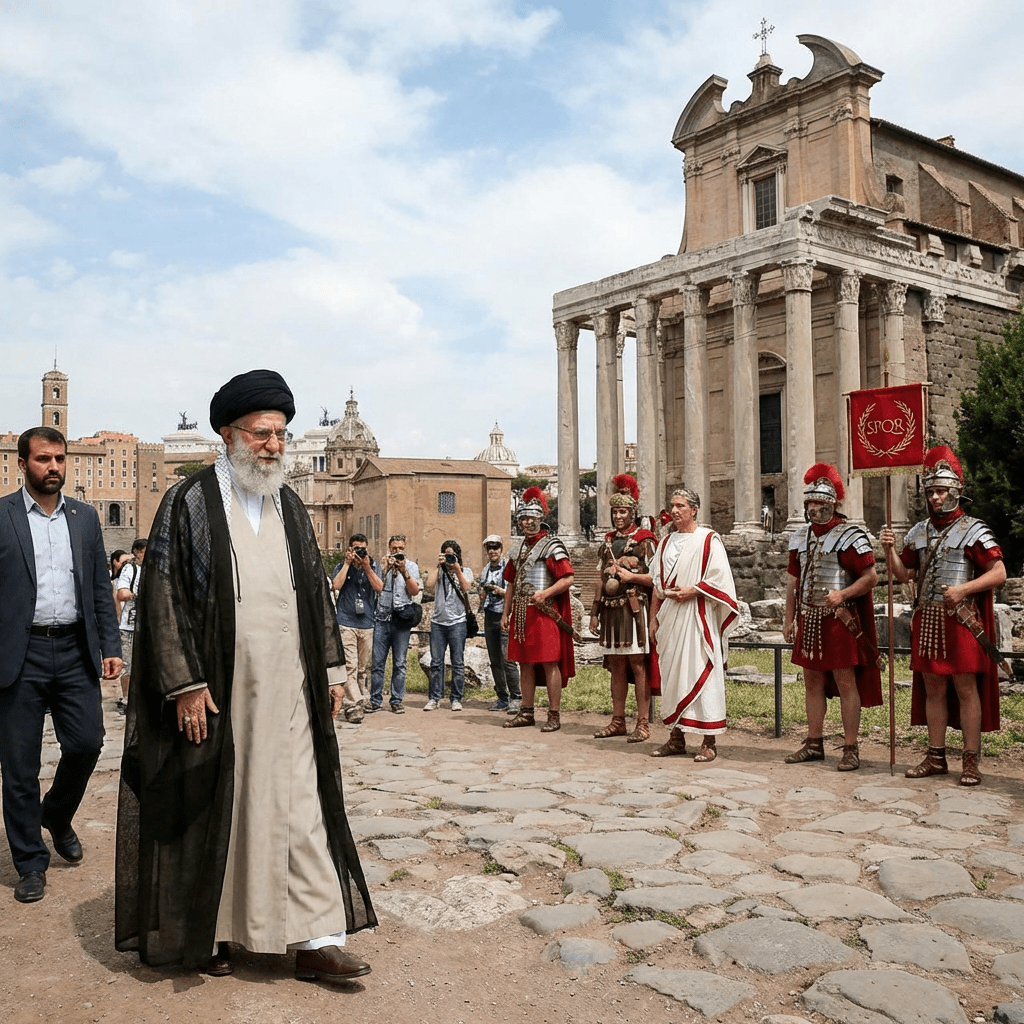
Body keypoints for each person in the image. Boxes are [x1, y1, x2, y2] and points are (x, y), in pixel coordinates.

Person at [115, 369, 376, 982]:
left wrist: (333, 671)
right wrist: (183, 681)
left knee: (303, 802)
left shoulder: (288, 502)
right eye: (262, 435)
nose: (275, 446)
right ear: (228, 434)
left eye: (281, 434)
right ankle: (218, 932)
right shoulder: (191, 501)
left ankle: (316, 939)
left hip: (290, 685)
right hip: (219, 686)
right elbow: (165, 597)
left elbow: (314, 593)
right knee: (221, 806)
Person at [0, 426, 122, 904]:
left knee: (88, 742)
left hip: (75, 651)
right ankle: (30, 861)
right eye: (43, 460)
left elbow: (98, 589)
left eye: (59, 459)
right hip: (19, 655)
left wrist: (110, 645)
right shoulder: (3, 516)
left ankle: (56, 812)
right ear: (22, 464)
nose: (53, 467)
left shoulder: (86, 518)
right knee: (19, 766)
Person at [881, 446, 1006, 786]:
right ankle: (936, 756)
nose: (935, 497)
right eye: (931, 492)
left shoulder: (972, 529)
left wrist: (964, 590)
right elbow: (904, 574)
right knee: (933, 688)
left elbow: (998, 573)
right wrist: (890, 550)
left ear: (956, 491)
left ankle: (970, 761)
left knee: (965, 687)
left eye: (941, 491)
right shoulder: (918, 531)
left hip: (962, 620)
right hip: (928, 619)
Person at [783, 464, 881, 771]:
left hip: (839, 620)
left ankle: (851, 747)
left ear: (832, 505)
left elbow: (871, 578)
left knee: (845, 681)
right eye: (810, 503)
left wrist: (843, 595)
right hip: (809, 618)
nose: (813, 509)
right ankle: (814, 743)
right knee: (811, 681)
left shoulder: (850, 536)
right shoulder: (800, 538)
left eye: (819, 504)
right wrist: (789, 619)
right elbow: (793, 583)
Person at [648, 488, 738, 761]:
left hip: (698, 617)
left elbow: (720, 580)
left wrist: (694, 590)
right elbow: (656, 586)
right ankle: (676, 738)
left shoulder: (709, 540)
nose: (675, 511)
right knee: (674, 677)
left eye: (681, 506)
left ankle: (709, 742)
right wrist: (653, 618)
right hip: (671, 618)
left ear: (694, 509)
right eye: (672, 506)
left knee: (703, 672)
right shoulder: (665, 543)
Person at [501, 488, 575, 732]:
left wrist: (545, 593)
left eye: (531, 518)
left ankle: (553, 714)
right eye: (523, 518)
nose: (527, 522)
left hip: (544, 613)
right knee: (525, 663)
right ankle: (526, 712)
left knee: (549, 662)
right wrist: (505, 612)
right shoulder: (517, 547)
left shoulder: (551, 545)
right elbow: (511, 583)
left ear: (540, 518)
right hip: (522, 613)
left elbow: (567, 579)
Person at [589, 474, 657, 743]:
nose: (618, 516)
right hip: (610, 610)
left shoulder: (645, 540)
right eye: (615, 511)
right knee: (616, 664)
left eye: (623, 511)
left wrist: (631, 574)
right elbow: (599, 580)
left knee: (637, 664)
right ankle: (618, 720)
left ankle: (642, 723)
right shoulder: (606, 541)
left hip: (635, 608)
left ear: (633, 513)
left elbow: (656, 578)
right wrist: (594, 613)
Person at [332, 533, 383, 723]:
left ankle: (359, 701)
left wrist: (367, 567)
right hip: (346, 621)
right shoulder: (341, 565)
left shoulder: (374, 565)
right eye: (355, 549)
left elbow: (380, 588)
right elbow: (336, 585)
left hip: (367, 622)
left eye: (362, 549)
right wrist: (347, 563)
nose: (359, 552)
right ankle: (353, 705)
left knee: (362, 668)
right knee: (350, 666)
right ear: (350, 549)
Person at [368, 534, 421, 713]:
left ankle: (397, 699)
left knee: (399, 663)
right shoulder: (380, 565)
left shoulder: (412, 567)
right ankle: (375, 700)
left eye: (400, 549)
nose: (397, 552)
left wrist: (404, 571)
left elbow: (414, 592)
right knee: (377, 663)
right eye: (394, 548)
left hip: (401, 620)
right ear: (389, 548)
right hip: (382, 618)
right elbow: (376, 588)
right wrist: (384, 569)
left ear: (404, 549)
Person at [425, 540, 475, 711]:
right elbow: (429, 586)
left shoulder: (465, 570)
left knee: (458, 662)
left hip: (458, 622)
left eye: (452, 554)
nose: (449, 558)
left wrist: (457, 569)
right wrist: (438, 566)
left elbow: (467, 587)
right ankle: (434, 698)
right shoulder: (439, 571)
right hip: (438, 622)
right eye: (446, 555)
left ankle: (456, 699)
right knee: (436, 662)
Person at [478, 535, 521, 714]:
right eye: (490, 548)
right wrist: (484, 592)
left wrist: (498, 590)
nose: (493, 551)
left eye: (496, 547)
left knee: (508, 660)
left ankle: (516, 697)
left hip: (505, 616)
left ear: (501, 549)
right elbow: (480, 592)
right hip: (489, 616)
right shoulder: (486, 569)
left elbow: (514, 592)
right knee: (495, 660)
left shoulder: (508, 567)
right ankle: (502, 697)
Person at [114, 538, 148, 716]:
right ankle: (127, 699)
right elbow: (122, 593)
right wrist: (138, 596)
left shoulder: (153, 569)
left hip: (148, 626)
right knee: (128, 664)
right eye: (144, 551)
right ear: (136, 551)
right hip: (129, 626)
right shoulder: (130, 569)